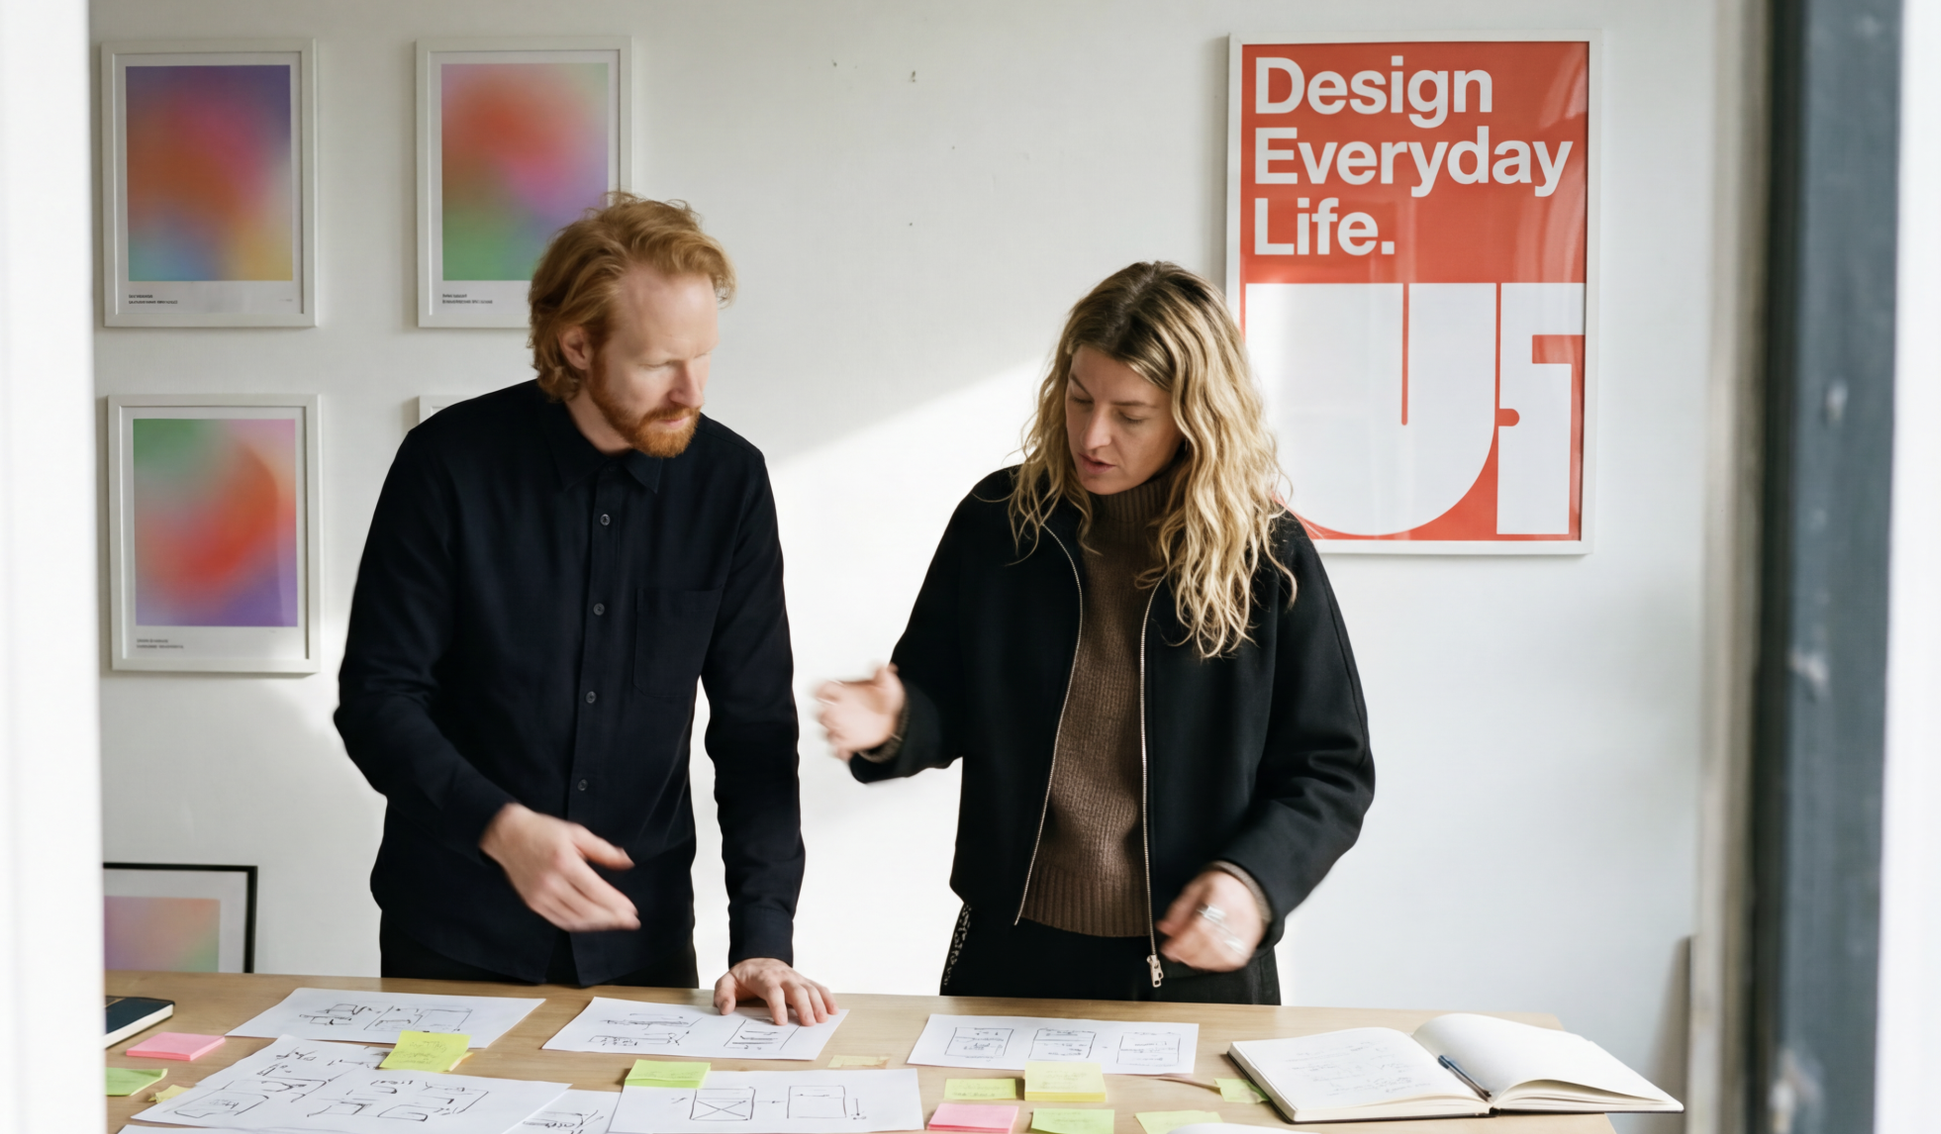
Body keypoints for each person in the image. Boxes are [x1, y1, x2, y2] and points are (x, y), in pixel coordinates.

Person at [336, 195, 836, 1025]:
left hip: (640, 944)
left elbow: (752, 730)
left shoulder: (730, 483)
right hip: (453, 936)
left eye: (704, 357)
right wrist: (500, 828)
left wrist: (763, 938)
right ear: (577, 344)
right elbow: (378, 699)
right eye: (659, 363)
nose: (690, 390)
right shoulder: (447, 465)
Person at [816, 262, 1373, 1003]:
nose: (1093, 435)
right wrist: (895, 721)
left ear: (1193, 417)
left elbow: (1330, 769)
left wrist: (1252, 883)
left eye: (1131, 414)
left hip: (1196, 967)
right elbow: (938, 703)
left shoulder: (1265, 554)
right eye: (1079, 400)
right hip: (1012, 953)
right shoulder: (997, 522)